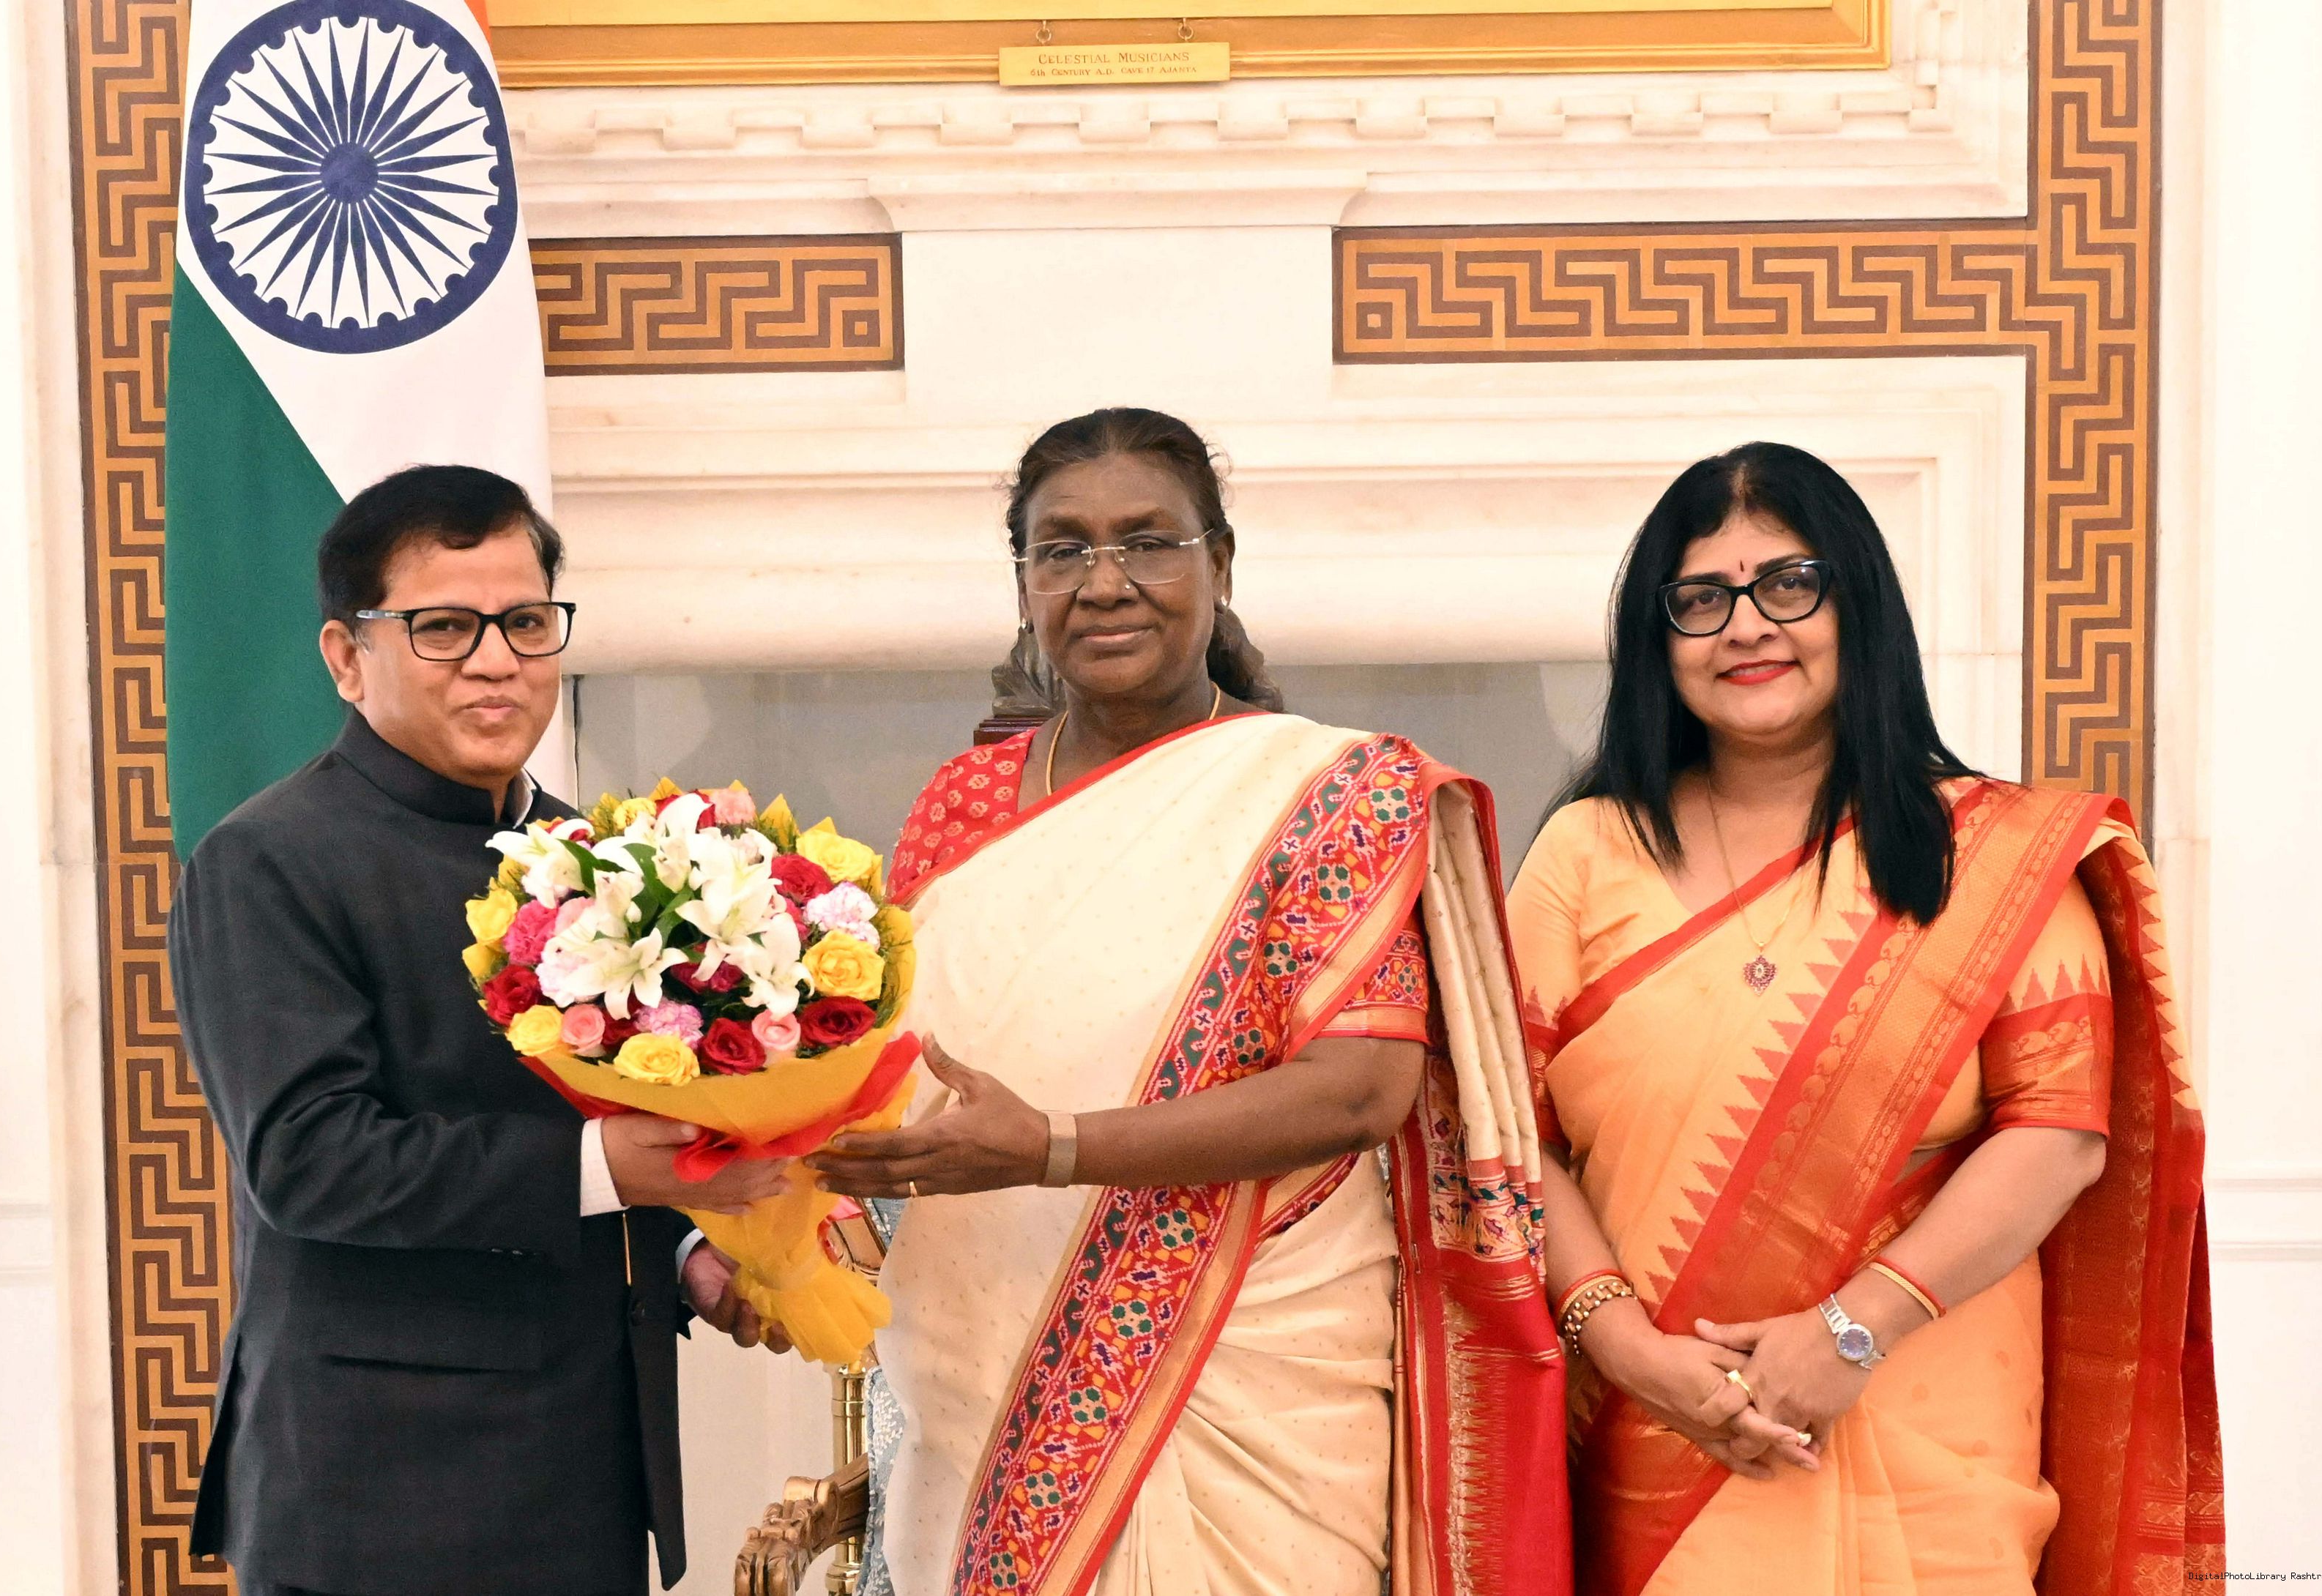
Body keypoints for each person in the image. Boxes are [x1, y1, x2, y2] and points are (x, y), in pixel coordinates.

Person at [805, 408, 1573, 1596]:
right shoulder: (963, 800)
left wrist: (1052, 1147)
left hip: (1248, 1370)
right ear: (1022, 583)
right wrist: (768, 1227)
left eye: (1148, 542)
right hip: (976, 1363)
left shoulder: (1338, 790)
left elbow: (1357, 1092)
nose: (1104, 582)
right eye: (1062, 550)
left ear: (1219, 563)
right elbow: (895, 1070)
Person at [1505, 442, 2224, 1596]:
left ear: (1860, 606)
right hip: (1652, 1441)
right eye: (1699, 599)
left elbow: (2058, 1133)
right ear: (1656, 637)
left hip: (1926, 1432)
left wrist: (1852, 1331)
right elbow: (1508, 1135)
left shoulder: (1984, 854)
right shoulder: (1585, 853)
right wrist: (1624, 1346)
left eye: (1789, 585)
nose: (1746, 626)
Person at [169, 466, 795, 1596]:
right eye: (444, 628)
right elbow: (308, 1161)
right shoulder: (268, 861)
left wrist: (687, 1251)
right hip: (379, 1482)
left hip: (587, 1458)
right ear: (346, 657)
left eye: (525, 623)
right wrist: (609, 1168)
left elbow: (608, 1107)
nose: (498, 660)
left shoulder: (598, 854)